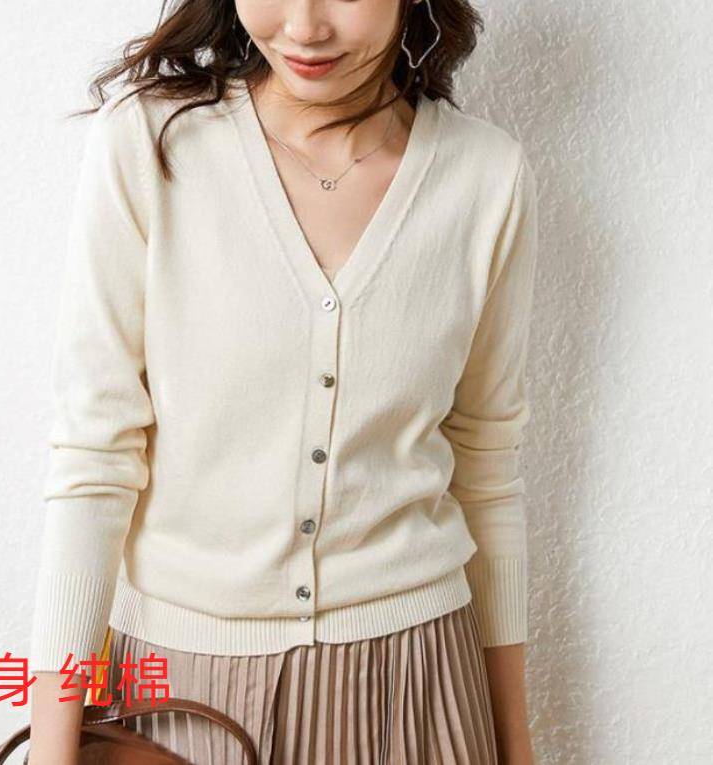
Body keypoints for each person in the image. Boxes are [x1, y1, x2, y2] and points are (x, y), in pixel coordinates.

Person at [27, 0, 539, 763]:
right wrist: (52, 747)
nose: (304, 27)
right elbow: (93, 460)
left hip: (419, 685)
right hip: (181, 692)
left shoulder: (485, 177)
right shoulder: (150, 144)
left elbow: (487, 470)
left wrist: (515, 745)